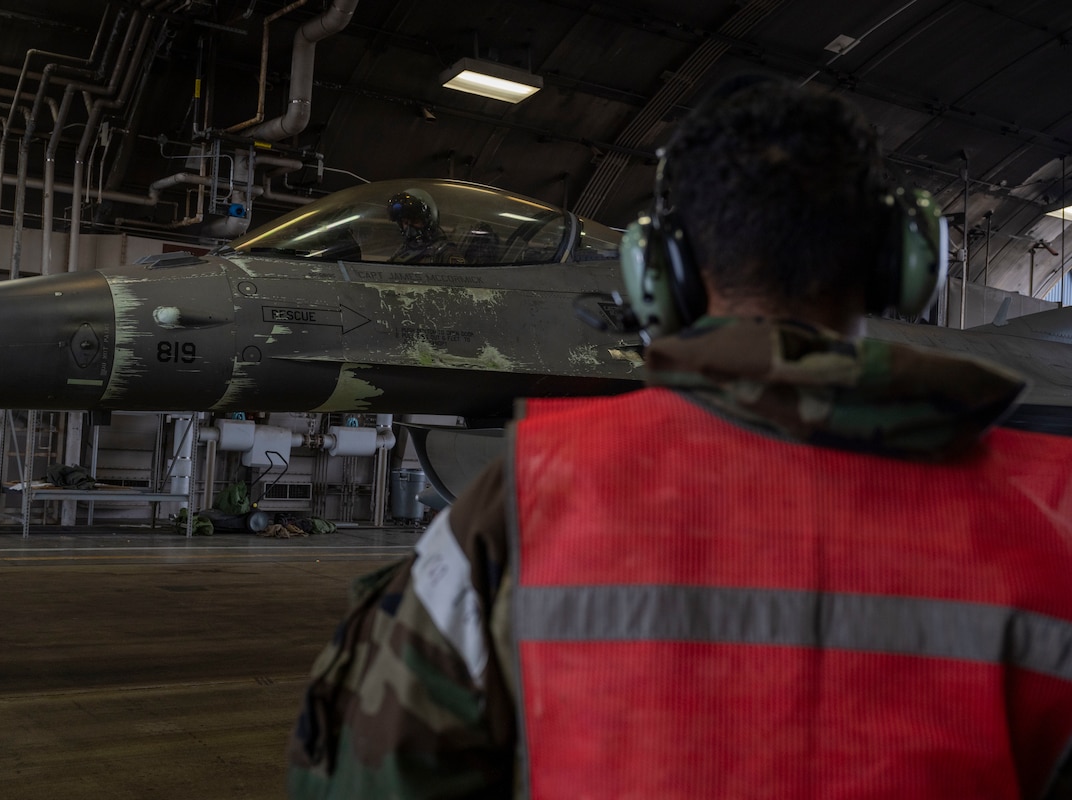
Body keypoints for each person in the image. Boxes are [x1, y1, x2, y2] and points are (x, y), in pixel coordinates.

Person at [287, 78, 1072, 799]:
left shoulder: (521, 504)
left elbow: (374, 771)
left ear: (661, 270)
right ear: (906, 261)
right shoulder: (1050, 510)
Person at [387, 188, 460, 264]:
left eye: (415, 221)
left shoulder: (446, 253)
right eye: (405, 222)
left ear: (429, 221)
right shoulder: (404, 249)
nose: (410, 228)